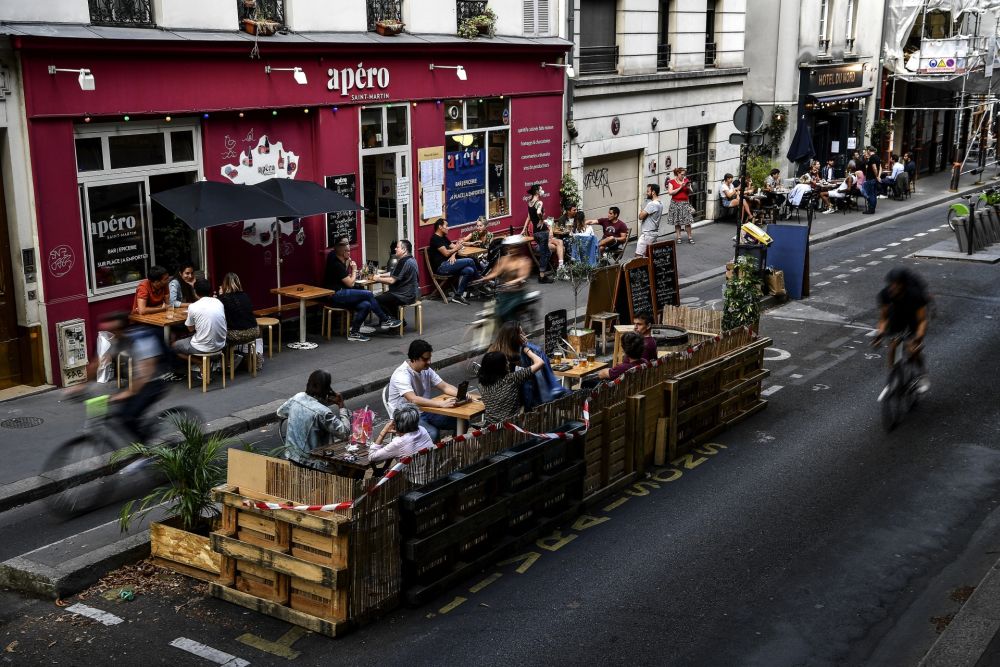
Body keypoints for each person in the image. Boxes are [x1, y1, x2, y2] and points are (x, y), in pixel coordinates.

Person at [75, 311, 171, 440]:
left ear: (121, 329)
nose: (108, 335)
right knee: (117, 413)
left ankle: (147, 449)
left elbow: (145, 375)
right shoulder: (113, 339)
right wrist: (80, 385)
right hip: (133, 381)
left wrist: (123, 395)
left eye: (112, 331)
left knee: (127, 416)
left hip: (154, 382)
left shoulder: (141, 340)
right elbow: (98, 363)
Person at [324, 236, 401, 341]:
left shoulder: (333, 255)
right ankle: (385, 319)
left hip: (342, 293)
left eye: (349, 249)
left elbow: (345, 276)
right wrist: (354, 269)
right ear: (340, 249)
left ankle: (354, 332)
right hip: (336, 295)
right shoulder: (336, 263)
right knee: (368, 294)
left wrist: (346, 261)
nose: (349, 252)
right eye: (346, 250)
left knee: (366, 305)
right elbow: (350, 284)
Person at [386, 339, 460, 441]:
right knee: (433, 433)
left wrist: (462, 394)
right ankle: (427, 456)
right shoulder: (402, 374)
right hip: (405, 417)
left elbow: (444, 386)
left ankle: (457, 449)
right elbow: (413, 399)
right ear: (415, 358)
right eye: (425, 359)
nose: (429, 362)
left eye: (430, 358)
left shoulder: (426, 370)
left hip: (424, 411)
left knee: (460, 421)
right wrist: (441, 404)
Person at [277, 370, 351, 468]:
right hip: (313, 463)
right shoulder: (323, 412)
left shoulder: (297, 398)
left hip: (291, 456)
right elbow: (344, 433)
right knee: (351, 465)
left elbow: (280, 412)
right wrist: (341, 406)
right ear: (327, 389)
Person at [874, 267, 931, 394]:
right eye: (891, 284)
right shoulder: (885, 294)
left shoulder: (915, 295)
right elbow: (883, 318)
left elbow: (922, 321)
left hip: (914, 320)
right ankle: (894, 374)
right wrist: (879, 334)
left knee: (912, 348)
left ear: (903, 285)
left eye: (896, 285)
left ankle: (922, 375)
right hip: (897, 317)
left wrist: (917, 338)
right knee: (894, 344)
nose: (892, 288)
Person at [488, 321, 567, 409]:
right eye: (521, 333)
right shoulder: (514, 374)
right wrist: (526, 348)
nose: (524, 335)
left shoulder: (493, 352)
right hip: (517, 403)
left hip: (496, 403)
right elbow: (540, 363)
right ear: (514, 338)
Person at [369, 403, 436, 484]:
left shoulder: (399, 443)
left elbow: (372, 457)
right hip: (434, 477)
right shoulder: (422, 430)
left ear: (396, 424)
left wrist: (383, 432)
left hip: (416, 482)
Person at [478, 345, 545, 425]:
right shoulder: (511, 379)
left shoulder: (482, 384)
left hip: (490, 427)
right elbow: (540, 363)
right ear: (500, 366)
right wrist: (528, 351)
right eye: (506, 362)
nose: (508, 363)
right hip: (510, 427)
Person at [172, 279, 227, 372]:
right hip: (221, 345)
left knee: (173, 346)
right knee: (201, 335)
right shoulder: (219, 302)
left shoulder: (193, 306)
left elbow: (190, 329)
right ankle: (207, 363)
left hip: (203, 347)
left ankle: (200, 363)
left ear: (195, 292)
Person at [478, 235, 532, 323]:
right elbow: (496, 272)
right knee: (493, 312)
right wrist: (484, 278)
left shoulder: (524, 261)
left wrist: (512, 282)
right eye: (510, 247)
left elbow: (522, 276)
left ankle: (516, 333)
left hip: (517, 293)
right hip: (504, 292)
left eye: (514, 247)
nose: (511, 250)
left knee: (507, 315)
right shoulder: (504, 259)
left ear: (519, 248)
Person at [428, 219, 481, 304]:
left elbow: (455, 247)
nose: (448, 228)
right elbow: (446, 253)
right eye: (446, 226)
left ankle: (458, 296)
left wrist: (454, 253)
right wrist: (456, 249)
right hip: (442, 267)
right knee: (470, 260)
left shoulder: (443, 237)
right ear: (440, 227)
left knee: (469, 270)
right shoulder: (435, 239)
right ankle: (480, 282)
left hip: (450, 264)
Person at [217, 272, 261, 370]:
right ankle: (254, 358)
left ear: (224, 284)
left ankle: (224, 363)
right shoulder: (245, 295)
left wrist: (220, 295)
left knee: (219, 333)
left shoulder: (223, 299)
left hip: (237, 334)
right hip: (254, 331)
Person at [521, 184, 564, 283]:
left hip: (536, 233)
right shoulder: (539, 202)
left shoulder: (530, 203)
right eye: (540, 189)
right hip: (543, 232)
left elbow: (529, 217)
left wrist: (523, 229)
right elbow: (539, 212)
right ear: (536, 191)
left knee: (547, 252)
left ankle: (543, 272)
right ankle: (542, 276)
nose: (542, 190)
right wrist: (541, 220)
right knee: (545, 254)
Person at [373, 239, 419, 315]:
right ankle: (398, 321)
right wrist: (381, 275)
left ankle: (392, 321)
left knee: (375, 300)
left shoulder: (403, 262)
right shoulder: (411, 259)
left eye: (397, 247)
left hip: (403, 295)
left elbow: (391, 280)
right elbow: (394, 273)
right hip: (412, 294)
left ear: (404, 250)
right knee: (385, 296)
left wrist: (377, 278)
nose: (395, 249)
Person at [666, 167, 696, 244]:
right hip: (675, 203)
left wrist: (689, 187)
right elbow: (670, 192)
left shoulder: (686, 181)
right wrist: (680, 187)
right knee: (677, 222)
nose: (683, 176)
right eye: (682, 174)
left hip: (685, 203)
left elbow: (691, 193)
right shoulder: (671, 182)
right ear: (677, 174)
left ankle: (690, 237)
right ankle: (679, 237)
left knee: (688, 222)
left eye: (684, 174)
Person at [636, 183, 664, 257]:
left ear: (653, 192)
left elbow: (640, 216)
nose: (646, 193)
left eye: (648, 191)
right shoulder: (660, 203)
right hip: (653, 233)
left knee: (638, 256)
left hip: (647, 234)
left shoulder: (652, 204)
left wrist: (642, 210)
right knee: (649, 256)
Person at [862, 146, 882, 214]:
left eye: (867, 150)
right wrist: (878, 176)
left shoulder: (872, 157)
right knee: (873, 194)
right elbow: (880, 168)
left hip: (871, 178)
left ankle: (871, 209)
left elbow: (874, 168)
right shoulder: (877, 157)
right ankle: (872, 208)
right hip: (874, 179)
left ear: (869, 150)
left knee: (870, 194)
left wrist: (876, 176)